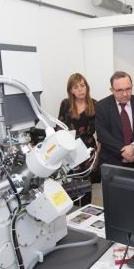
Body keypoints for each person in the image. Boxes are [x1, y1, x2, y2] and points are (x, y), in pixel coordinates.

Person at [58, 73, 99, 204]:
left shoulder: (95, 104)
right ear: (71, 90)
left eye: (83, 85)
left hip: (88, 148)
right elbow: (59, 127)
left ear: (87, 87)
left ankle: (86, 212)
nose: (80, 89)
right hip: (70, 148)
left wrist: (98, 153)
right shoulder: (65, 104)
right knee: (71, 183)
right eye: (76, 87)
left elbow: (102, 132)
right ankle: (73, 214)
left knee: (86, 185)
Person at [95, 71, 134, 170]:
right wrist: (124, 151)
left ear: (132, 86)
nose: (125, 94)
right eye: (119, 90)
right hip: (112, 162)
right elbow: (102, 135)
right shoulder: (101, 106)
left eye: (128, 89)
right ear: (112, 90)